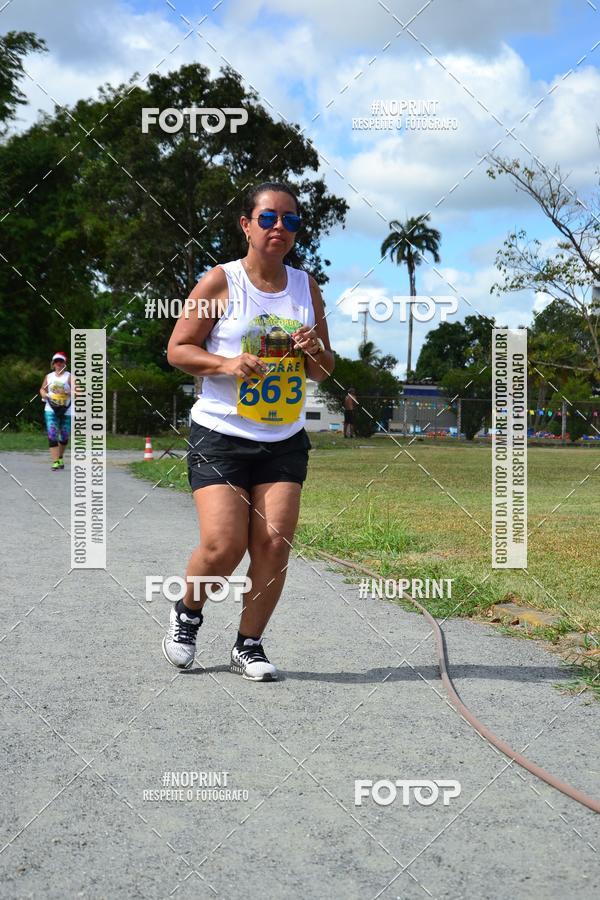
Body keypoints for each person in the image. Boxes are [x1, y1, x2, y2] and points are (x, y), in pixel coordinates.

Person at [164, 181, 334, 680]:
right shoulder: (221, 281)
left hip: (283, 438)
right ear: (246, 225)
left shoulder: (306, 287)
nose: (280, 227)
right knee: (224, 545)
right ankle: (187, 614)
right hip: (221, 433)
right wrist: (225, 363)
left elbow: (323, 370)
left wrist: (314, 351)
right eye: (268, 218)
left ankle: (249, 644)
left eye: (291, 220)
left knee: (274, 544)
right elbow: (178, 349)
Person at [39, 352, 73, 470]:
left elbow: (79, 391)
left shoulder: (70, 377)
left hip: (66, 409)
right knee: (52, 434)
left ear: (65, 363)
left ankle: (60, 457)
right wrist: (44, 394)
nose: (58, 363)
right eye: (56, 361)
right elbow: (42, 389)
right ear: (53, 364)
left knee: (64, 436)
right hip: (51, 408)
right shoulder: (49, 377)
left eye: (61, 361)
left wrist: (69, 392)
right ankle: (55, 462)